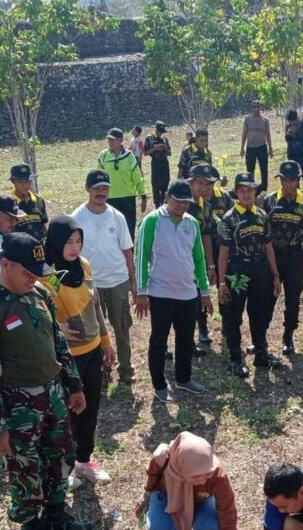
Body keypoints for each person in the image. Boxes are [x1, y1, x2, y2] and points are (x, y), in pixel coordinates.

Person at [0, 233, 90, 530]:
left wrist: (73, 384)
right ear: (5, 264)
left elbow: (58, 343)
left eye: (36, 274)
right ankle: (31, 527)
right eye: (27, 273)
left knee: (59, 456)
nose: (33, 280)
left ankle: (57, 515)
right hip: (18, 406)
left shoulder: (38, 294)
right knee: (25, 467)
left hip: (53, 395)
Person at [42, 215, 116, 486]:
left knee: (91, 407)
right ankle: (65, 465)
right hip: (65, 356)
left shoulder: (84, 266)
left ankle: (84, 462)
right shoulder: (46, 275)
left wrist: (106, 342)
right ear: (56, 243)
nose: (75, 248)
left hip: (93, 350)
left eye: (79, 241)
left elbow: (96, 306)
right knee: (67, 410)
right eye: (69, 242)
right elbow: (44, 317)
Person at [135, 180, 212, 403]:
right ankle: (159, 385)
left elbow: (198, 259)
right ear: (167, 196)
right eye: (178, 202)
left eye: (186, 203)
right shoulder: (152, 221)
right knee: (159, 339)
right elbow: (142, 256)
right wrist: (142, 292)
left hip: (188, 293)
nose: (182, 207)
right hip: (161, 293)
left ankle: (183, 379)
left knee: (186, 338)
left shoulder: (192, 224)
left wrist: (204, 291)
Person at [72, 170, 137, 386]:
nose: (101, 192)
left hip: (118, 281)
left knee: (122, 328)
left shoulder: (117, 217)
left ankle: (126, 370)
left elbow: (128, 251)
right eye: (97, 188)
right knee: (95, 330)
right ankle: (102, 370)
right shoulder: (76, 219)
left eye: (105, 188)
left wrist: (133, 282)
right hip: (90, 284)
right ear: (87, 189)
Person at [216, 172, 282, 377]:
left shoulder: (262, 215)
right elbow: (223, 253)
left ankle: (261, 353)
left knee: (259, 312)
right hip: (237, 271)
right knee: (233, 315)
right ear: (236, 193)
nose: (246, 195)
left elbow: (269, 246)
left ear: (255, 192)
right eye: (242, 191)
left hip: (259, 269)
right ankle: (236, 359)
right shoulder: (228, 219)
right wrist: (221, 282)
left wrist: (275, 274)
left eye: (250, 191)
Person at [258, 161, 303, 356]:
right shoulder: (269, 200)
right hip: (273, 254)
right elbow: (262, 229)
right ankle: (261, 338)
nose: (288, 184)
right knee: (267, 296)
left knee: (293, 296)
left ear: (299, 180)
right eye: (285, 180)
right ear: (280, 180)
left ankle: (288, 336)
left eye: (292, 180)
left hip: (294, 254)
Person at [187, 164, 222, 352]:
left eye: (208, 184)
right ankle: (186, 339)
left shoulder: (206, 206)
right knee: (185, 299)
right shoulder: (179, 202)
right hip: (180, 258)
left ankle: (202, 329)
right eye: (200, 183)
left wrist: (211, 265)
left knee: (201, 292)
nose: (204, 188)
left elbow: (207, 236)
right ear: (191, 182)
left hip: (198, 258)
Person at [98, 127, 147, 238]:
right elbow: (99, 179)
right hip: (109, 198)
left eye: (113, 139)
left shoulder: (129, 156)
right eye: (109, 139)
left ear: (120, 140)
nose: (110, 142)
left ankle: (129, 254)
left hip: (127, 199)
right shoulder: (103, 156)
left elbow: (137, 177)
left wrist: (143, 196)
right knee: (111, 232)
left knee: (128, 231)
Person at [9, 164, 48, 242]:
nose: (25, 185)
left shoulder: (39, 200)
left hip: (39, 249)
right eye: (20, 181)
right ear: (13, 181)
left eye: (28, 181)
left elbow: (43, 224)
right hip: (19, 248)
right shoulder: (8, 202)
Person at [241, 101, 273, 194]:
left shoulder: (265, 120)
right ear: (252, 108)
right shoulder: (247, 119)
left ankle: (264, 189)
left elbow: (268, 134)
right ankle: (251, 189)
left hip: (262, 147)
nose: (256, 109)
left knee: (264, 169)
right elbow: (244, 133)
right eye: (254, 107)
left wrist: (270, 148)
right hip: (250, 148)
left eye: (258, 107)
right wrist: (242, 147)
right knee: (250, 170)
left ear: (261, 108)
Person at [284, 110, 303, 197]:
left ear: (296, 118)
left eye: (292, 121)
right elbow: (287, 140)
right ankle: (296, 195)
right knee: (293, 176)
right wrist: (288, 134)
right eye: (289, 121)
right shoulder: (288, 126)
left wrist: (297, 132)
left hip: (302, 153)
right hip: (292, 154)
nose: (291, 123)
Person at [143, 120, 172, 208]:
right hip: (155, 163)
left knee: (165, 182)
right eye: (160, 132)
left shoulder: (165, 139)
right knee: (155, 184)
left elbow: (170, 153)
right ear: (156, 130)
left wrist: (165, 148)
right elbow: (145, 152)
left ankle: (165, 203)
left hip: (164, 163)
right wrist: (154, 149)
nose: (161, 134)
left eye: (162, 132)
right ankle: (157, 204)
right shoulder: (149, 138)